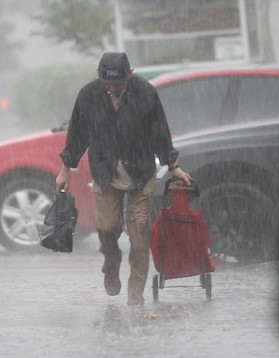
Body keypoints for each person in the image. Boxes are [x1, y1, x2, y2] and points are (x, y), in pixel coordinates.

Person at [56, 52, 191, 306]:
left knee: (140, 230)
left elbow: (161, 132)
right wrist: (65, 169)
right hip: (105, 174)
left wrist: (173, 166)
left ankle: (135, 290)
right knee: (107, 228)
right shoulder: (88, 96)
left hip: (141, 173)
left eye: (118, 83)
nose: (113, 88)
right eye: (108, 83)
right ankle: (111, 265)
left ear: (130, 74)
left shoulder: (146, 94)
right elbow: (76, 135)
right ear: (100, 78)